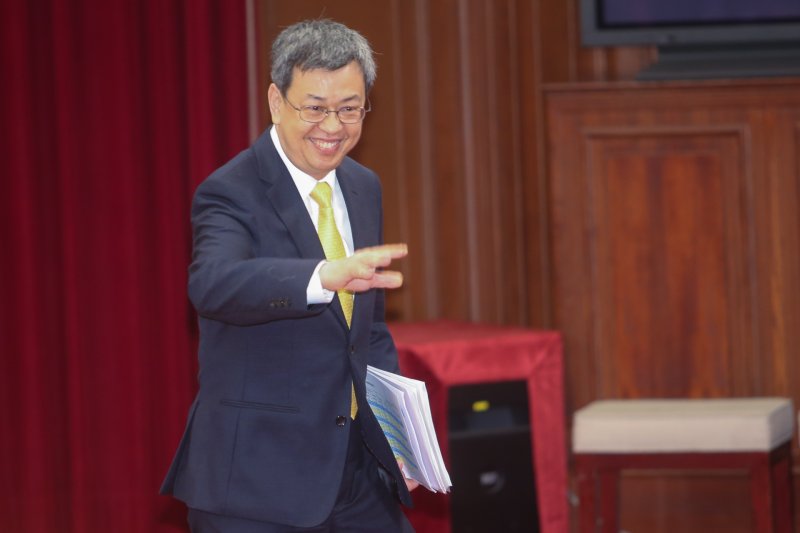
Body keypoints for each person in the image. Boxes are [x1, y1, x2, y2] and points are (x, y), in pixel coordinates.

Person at [161, 18, 418, 532]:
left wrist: (399, 438)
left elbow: (368, 333)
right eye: (315, 108)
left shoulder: (363, 186)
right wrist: (322, 275)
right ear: (276, 102)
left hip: (358, 472)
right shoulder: (230, 190)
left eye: (349, 108)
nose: (333, 127)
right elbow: (214, 284)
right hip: (257, 482)